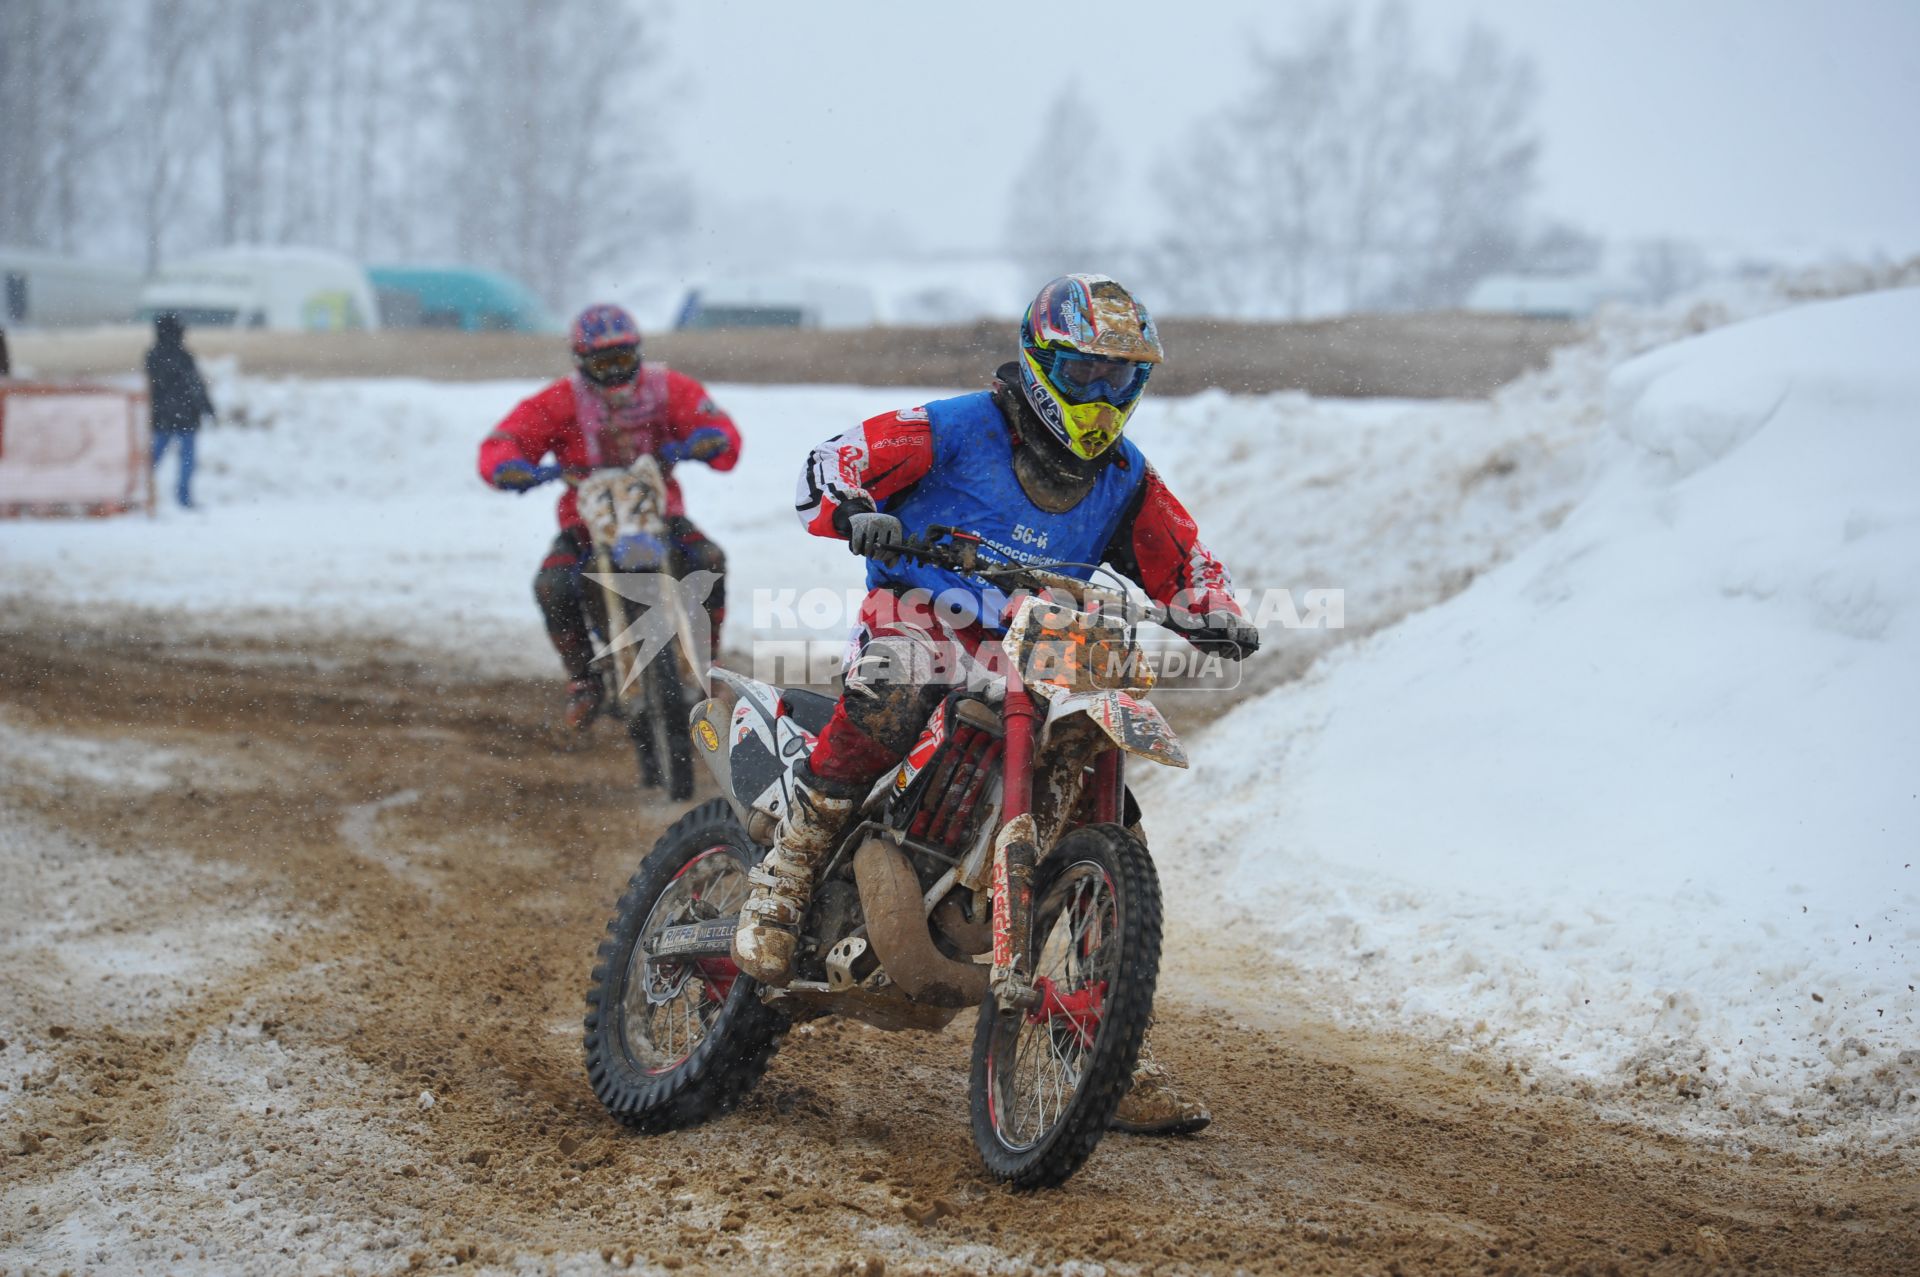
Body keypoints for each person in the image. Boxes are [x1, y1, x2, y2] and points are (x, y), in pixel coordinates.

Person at [739, 274, 1260, 1133]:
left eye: (1120, 380)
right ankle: (787, 875)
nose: (1102, 399)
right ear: (1043, 362)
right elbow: (828, 465)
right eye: (1086, 375)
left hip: (1040, 645)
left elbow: (1188, 560)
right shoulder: (953, 428)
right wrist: (860, 509)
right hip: (921, 620)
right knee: (894, 693)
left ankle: (1101, 1038)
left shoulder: (1125, 479)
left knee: (1108, 803)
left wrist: (1215, 611)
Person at [478, 303, 741, 729]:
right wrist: (513, 467)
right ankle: (583, 679)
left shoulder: (667, 389)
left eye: (623, 359)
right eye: (604, 362)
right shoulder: (558, 401)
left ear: (638, 353)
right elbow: (504, 440)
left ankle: (708, 661)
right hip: (587, 524)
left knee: (709, 561)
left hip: (659, 515)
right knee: (552, 586)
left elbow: (717, 426)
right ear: (582, 362)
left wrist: (706, 440)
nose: (616, 372)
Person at [145, 313, 216, 508]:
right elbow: (195, 385)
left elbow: (152, 386)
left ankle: (140, 491)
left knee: (153, 457)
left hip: (161, 415)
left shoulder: (152, 356)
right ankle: (183, 498)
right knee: (187, 459)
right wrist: (207, 408)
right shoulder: (183, 356)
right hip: (186, 415)